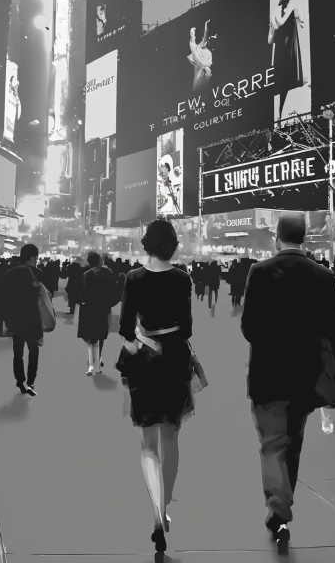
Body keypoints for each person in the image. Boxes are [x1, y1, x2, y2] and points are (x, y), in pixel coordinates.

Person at [241, 212, 335, 553]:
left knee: (272, 444)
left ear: (277, 235)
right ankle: (283, 508)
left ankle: (279, 511)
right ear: (304, 237)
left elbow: (248, 326)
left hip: (268, 375)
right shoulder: (322, 275)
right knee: (294, 441)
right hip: (306, 376)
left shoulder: (260, 272)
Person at [116, 219, 194, 553]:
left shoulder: (133, 278)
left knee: (147, 443)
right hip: (175, 360)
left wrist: (141, 341)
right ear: (173, 245)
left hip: (144, 363)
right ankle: (166, 508)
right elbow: (187, 329)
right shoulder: (182, 279)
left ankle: (156, 514)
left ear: (146, 244)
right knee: (171, 437)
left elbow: (124, 326)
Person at [0, 244, 44, 397]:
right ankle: (31, 381)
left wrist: (6, 319)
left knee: (18, 352)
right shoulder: (37, 273)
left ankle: (20, 380)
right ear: (32, 257)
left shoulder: (9, 273)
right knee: (34, 350)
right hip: (32, 319)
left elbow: (3, 297)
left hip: (15, 319)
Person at [269, 0, 305, 123]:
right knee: (280, 85)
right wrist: (272, 28)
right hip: (280, 51)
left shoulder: (293, 7)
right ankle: (278, 115)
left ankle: (286, 116)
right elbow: (275, 31)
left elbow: (302, 21)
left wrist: (296, 10)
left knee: (291, 83)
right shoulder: (277, 10)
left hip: (291, 47)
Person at [77, 252, 116, 376]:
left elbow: (82, 292)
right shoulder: (107, 273)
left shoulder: (86, 275)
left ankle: (91, 364)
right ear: (100, 261)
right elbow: (113, 290)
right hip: (103, 307)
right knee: (100, 334)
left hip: (89, 308)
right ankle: (98, 359)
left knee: (90, 337)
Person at [188, 20, 212, 91]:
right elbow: (192, 42)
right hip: (198, 66)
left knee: (207, 71)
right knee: (197, 82)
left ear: (206, 44)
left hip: (203, 67)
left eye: (204, 41)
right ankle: (196, 90)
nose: (202, 41)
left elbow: (205, 34)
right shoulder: (197, 48)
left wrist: (206, 24)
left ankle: (200, 90)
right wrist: (192, 33)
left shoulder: (208, 52)